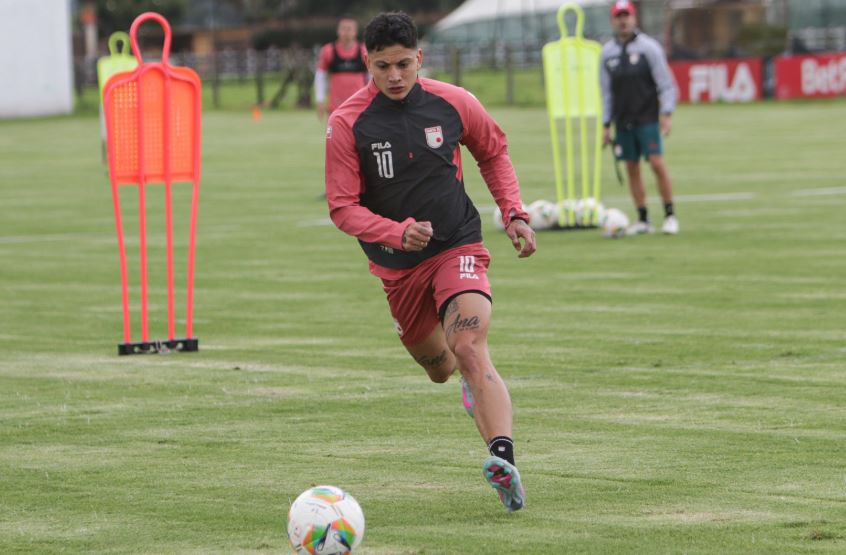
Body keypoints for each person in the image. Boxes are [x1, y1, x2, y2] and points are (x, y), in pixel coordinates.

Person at [325, 12, 536, 513]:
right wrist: (396, 233)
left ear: (420, 58)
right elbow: (342, 207)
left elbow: (493, 151)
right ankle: (466, 385)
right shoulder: (347, 123)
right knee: (441, 367)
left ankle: (503, 461)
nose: (395, 76)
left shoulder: (454, 102)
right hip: (397, 268)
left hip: (456, 243)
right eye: (383, 66)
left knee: (469, 345)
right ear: (367, 63)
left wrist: (513, 213)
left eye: (404, 64)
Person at [600, 0, 679, 235]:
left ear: (634, 18)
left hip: (647, 118)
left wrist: (666, 113)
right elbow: (607, 93)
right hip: (622, 121)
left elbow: (666, 84)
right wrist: (606, 125)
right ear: (613, 21)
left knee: (656, 163)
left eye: (627, 16)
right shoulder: (607, 53)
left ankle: (670, 215)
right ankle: (643, 218)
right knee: (631, 167)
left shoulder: (649, 48)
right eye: (619, 16)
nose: (623, 21)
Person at [314, 17, 369, 120]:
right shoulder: (328, 51)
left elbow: (371, 77)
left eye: (349, 29)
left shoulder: (364, 51)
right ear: (338, 31)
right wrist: (320, 100)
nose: (346, 32)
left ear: (355, 32)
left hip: (359, 105)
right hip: (336, 106)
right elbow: (320, 77)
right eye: (343, 29)